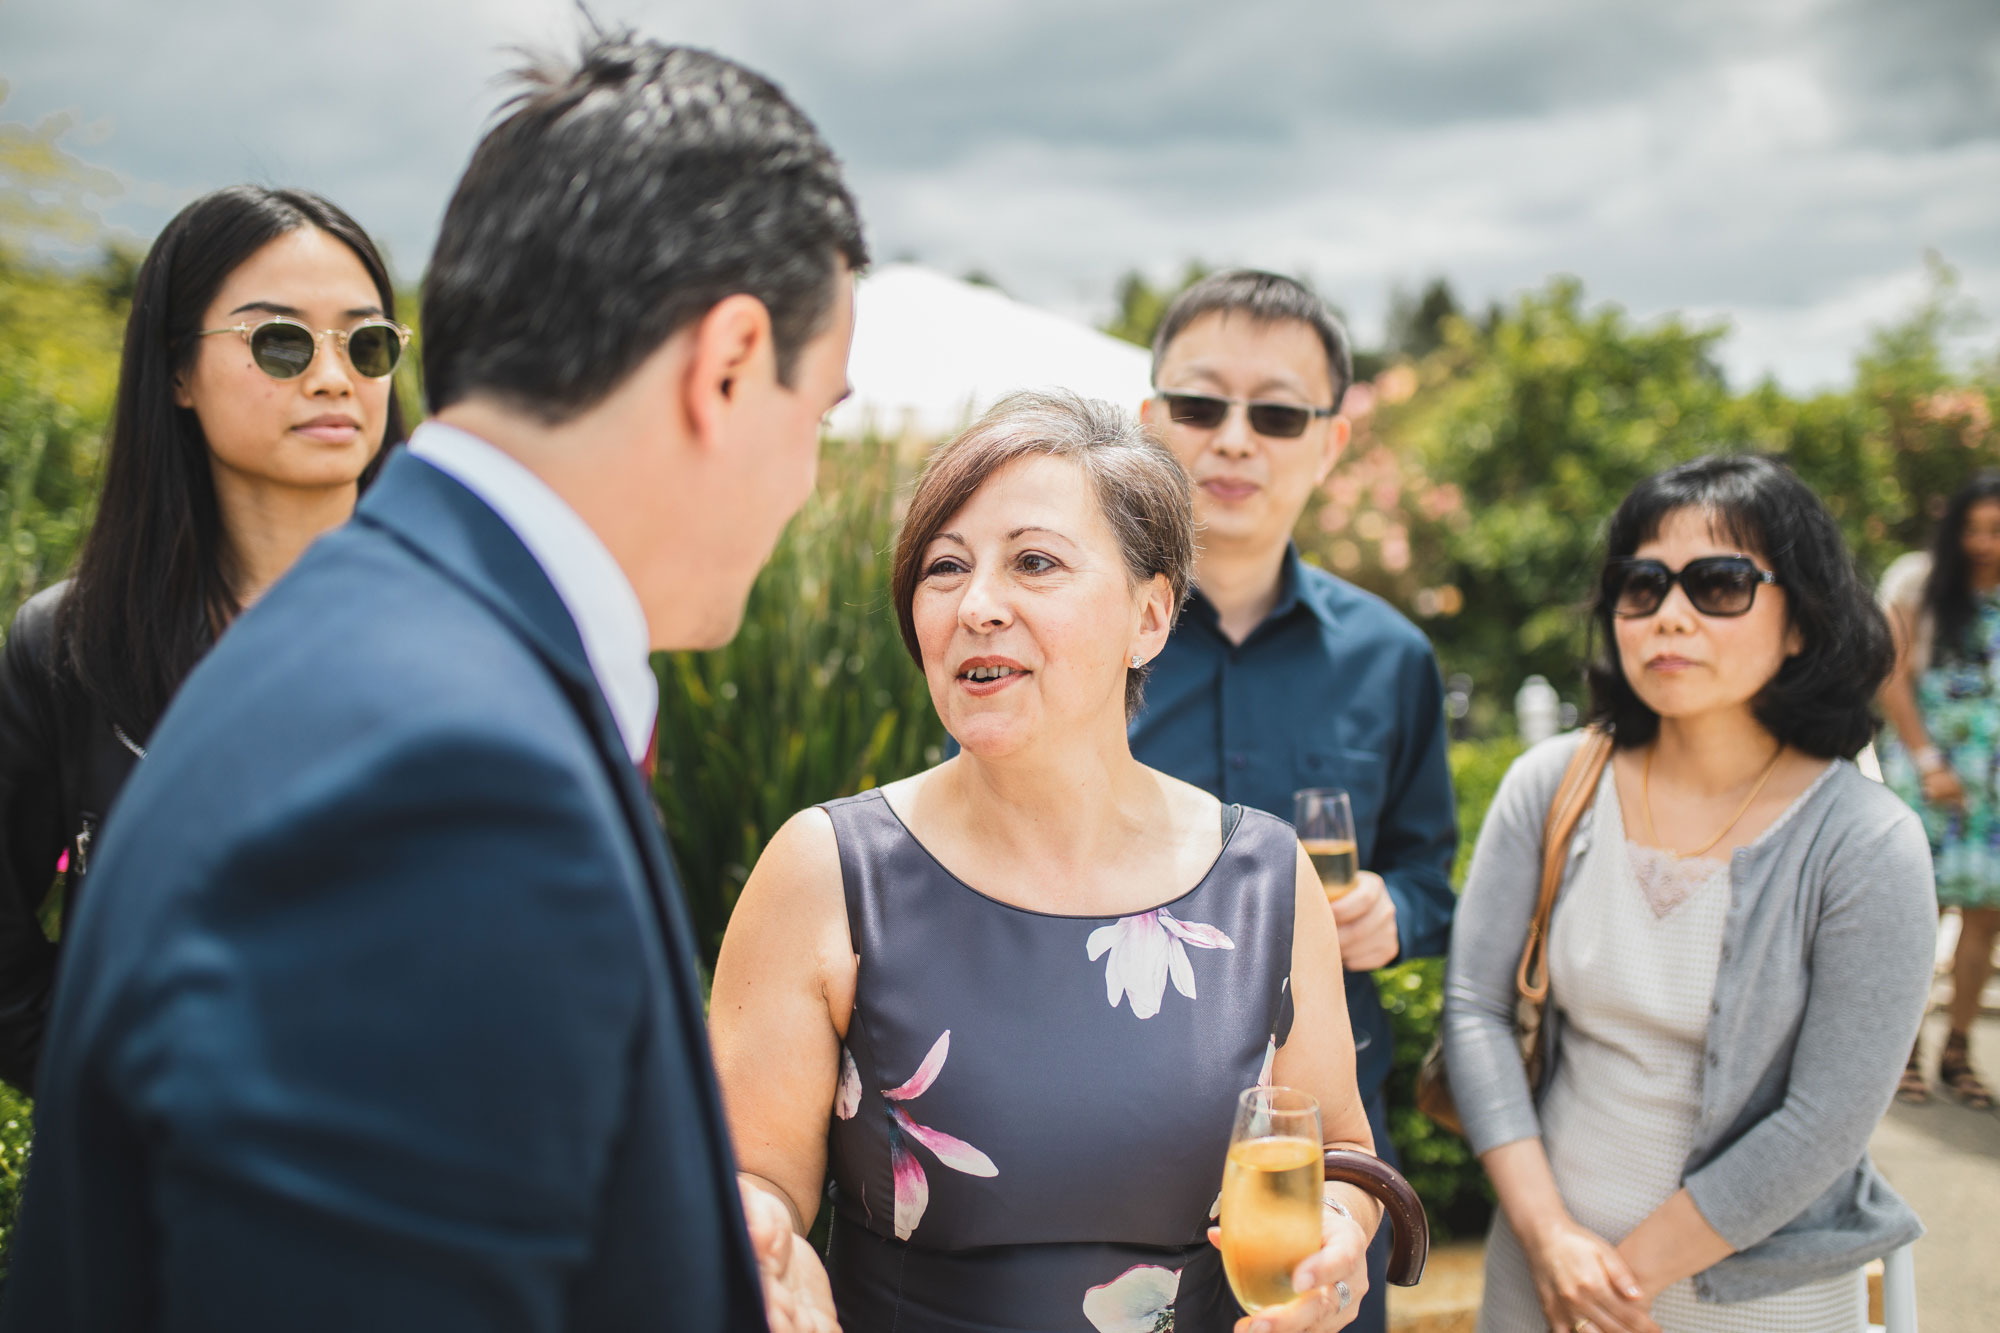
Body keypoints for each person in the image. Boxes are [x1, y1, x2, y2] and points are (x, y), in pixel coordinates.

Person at [3, 32, 863, 1333]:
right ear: (730, 363)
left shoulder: (380, 643)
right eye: (825, 414)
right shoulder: (451, 775)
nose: (810, 477)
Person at [710, 391, 1401, 1333]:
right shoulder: (827, 869)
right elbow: (753, 1177)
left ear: (1150, 617)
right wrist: (751, 1232)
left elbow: (1341, 1151)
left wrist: (1335, 1231)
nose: (977, 604)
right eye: (944, 568)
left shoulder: (1264, 880)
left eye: (1034, 562)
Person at [1444, 455, 1935, 1333]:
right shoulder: (1552, 783)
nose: (1670, 614)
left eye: (1719, 582)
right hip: (1538, 1272)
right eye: (1643, 584)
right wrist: (1551, 1241)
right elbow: (1476, 1007)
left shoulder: (1867, 840)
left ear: (1801, 622)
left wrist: (1612, 1283)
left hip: (1753, 1303)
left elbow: (1824, 1120)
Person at [0, 184, 408, 1095]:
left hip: (427, 1194)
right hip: (150, 1203)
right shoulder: (72, 647)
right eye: (281, 341)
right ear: (177, 371)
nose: (335, 377)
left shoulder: (480, 632)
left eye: (367, 341)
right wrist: (107, 1081)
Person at [1129, 270, 1458, 1333]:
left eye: (1274, 413)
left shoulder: (1390, 658)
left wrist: (1392, 913)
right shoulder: (1067, 641)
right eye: (1199, 406)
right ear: (1148, 423)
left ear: (1329, 443)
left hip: (1320, 1173)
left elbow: (1425, 874)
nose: (1233, 440)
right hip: (1101, 1144)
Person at [1877, 470, 2000, 1109]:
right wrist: (1928, 760)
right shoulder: (1916, 583)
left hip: (1994, 789)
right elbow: (1890, 677)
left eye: (1997, 530)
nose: (1984, 543)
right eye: (1974, 528)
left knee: (1987, 919)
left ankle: (1957, 1051)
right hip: (1928, 773)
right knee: (1919, 915)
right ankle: (1901, 1050)